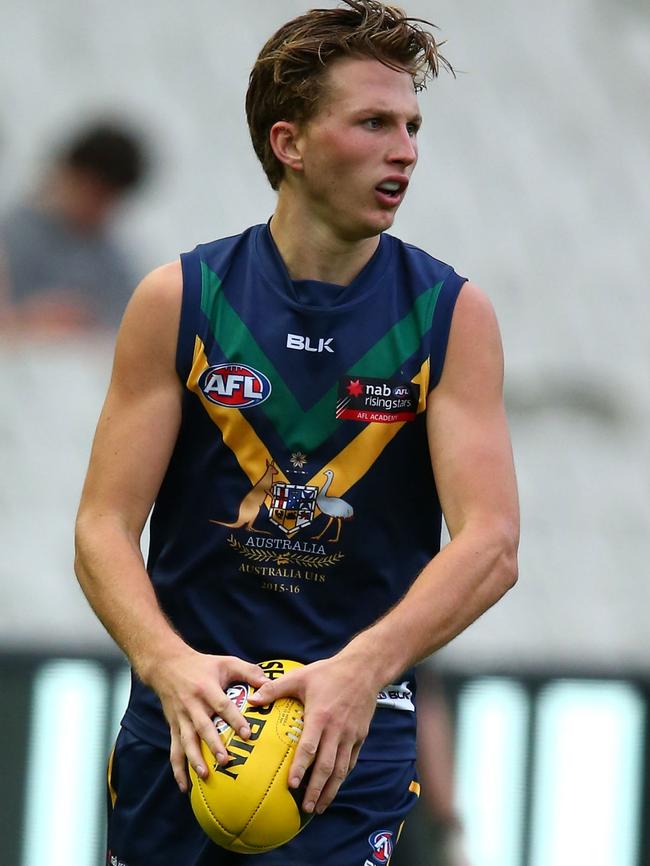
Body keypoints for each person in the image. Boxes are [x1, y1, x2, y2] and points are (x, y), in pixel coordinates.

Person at [74, 2, 519, 864]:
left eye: (413, 126)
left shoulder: (450, 315)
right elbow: (100, 528)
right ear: (292, 144)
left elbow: (492, 543)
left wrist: (362, 671)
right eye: (375, 123)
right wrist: (165, 664)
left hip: (350, 738)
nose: (407, 150)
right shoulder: (180, 299)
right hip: (186, 728)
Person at [0, 121, 147, 334]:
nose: (95, 207)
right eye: (92, 191)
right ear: (67, 174)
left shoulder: (112, 262)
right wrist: (28, 319)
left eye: (107, 199)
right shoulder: (12, 236)